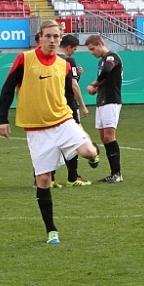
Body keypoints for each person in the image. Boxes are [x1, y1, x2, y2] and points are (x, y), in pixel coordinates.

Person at [0, 20, 100, 245]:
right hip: (37, 130)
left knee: (89, 152)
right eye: (48, 36)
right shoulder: (25, 59)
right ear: (40, 38)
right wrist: (2, 119)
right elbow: (7, 88)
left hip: (63, 121)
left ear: (60, 39)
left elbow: (68, 94)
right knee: (43, 180)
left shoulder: (64, 64)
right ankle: (51, 230)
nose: (52, 40)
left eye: (56, 36)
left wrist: (76, 118)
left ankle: (94, 153)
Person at [58, 34, 99, 186]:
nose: (74, 52)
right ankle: (74, 176)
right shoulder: (69, 61)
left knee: (56, 141)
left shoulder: (52, 59)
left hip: (54, 105)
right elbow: (73, 86)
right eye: (74, 49)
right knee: (76, 137)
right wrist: (83, 105)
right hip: (69, 105)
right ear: (69, 47)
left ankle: (50, 178)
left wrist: (77, 75)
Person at [85, 34, 124, 183]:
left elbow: (108, 70)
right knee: (103, 137)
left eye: (92, 49)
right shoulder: (101, 61)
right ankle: (113, 173)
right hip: (102, 100)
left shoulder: (111, 57)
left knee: (109, 136)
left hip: (111, 100)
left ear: (100, 44)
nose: (91, 52)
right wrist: (97, 88)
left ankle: (117, 174)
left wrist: (95, 83)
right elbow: (105, 77)